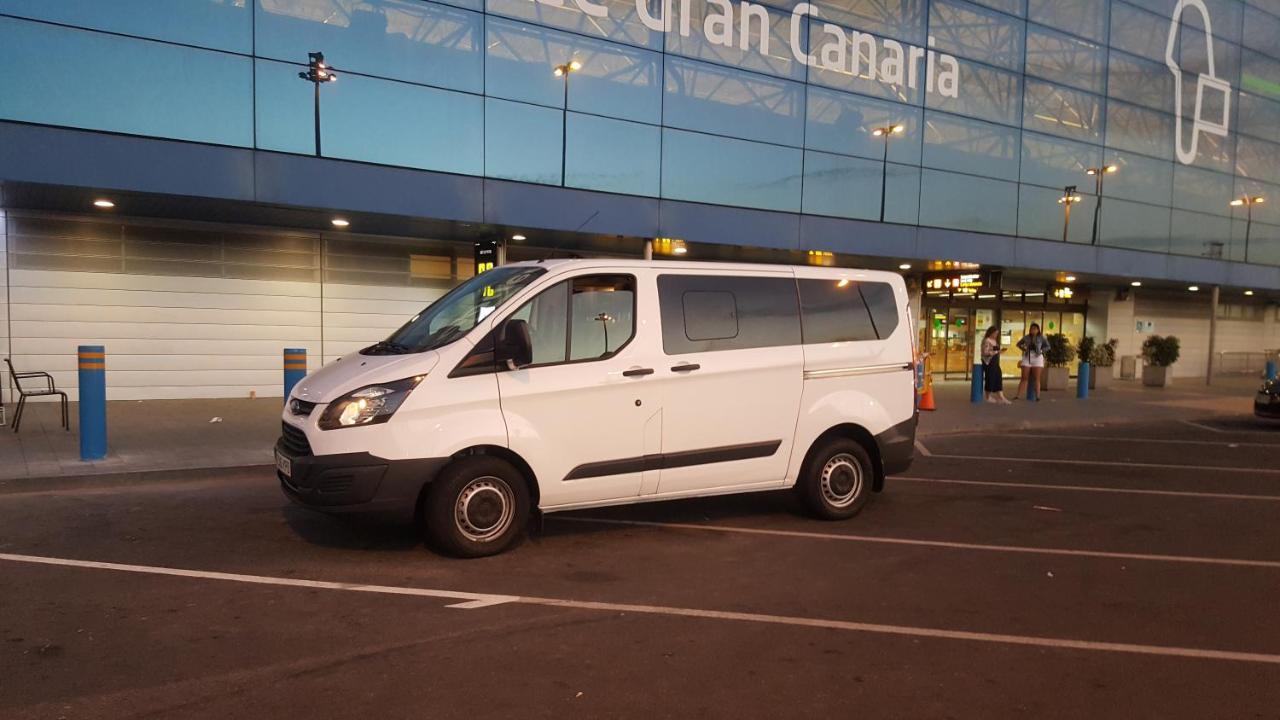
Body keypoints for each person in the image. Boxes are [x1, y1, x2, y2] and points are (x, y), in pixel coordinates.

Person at [1014, 322, 1049, 401]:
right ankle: (1018, 396)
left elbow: (1048, 346)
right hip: (1027, 356)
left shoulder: (1041, 338)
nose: (1032, 330)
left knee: (1037, 378)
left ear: (1038, 330)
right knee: (1024, 377)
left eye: (1034, 329)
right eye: (1031, 328)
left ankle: (1038, 396)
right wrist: (1024, 349)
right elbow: (1018, 344)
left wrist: (1041, 351)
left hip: (1037, 357)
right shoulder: (1026, 337)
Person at [980, 326, 1010, 404]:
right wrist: (997, 352)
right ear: (990, 332)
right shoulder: (987, 340)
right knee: (990, 377)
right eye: (995, 333)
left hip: (995, 361)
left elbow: (995, 350)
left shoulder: (995, 341)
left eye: (997, 333)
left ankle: (1001, 396)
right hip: (989, 362)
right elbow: (985, 352)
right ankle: (988, 396)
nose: (996, 335)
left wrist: (1000, 351)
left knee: (998, 377)